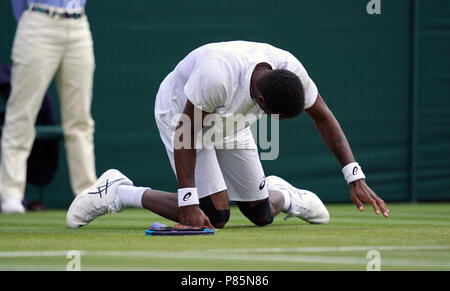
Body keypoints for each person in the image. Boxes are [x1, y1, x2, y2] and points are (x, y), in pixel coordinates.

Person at [66, 41, 389, 229]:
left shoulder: (291, 72)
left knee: (260, 216)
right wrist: (188, 201)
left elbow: (324, 118)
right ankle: (118, 192)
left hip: (232, 122)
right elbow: (187, 133)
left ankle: (287, 195)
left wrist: (354, 177)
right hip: (181, 115)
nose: (272, 120)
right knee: (214, 217)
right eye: (273, 116)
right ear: (260, 101)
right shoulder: (217, 76)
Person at [0, 0, 97, 214]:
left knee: (80, 121)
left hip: (79, 22)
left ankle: (88, 195)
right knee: (21, 115)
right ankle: (11, 194)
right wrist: (31, 21)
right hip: (38, 21)